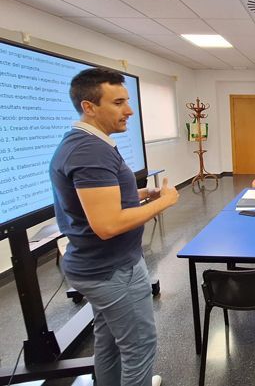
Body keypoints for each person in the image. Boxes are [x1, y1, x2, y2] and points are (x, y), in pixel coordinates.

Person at [50, 68, 179, 386]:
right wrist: (165, 201)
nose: (129, 110)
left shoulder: (87, 144)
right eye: (118, 102)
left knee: (108, 342)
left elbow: (98, 200)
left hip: (98, 266)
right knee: (139, 346)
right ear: (89, 107)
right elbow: (107, 224)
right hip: (112, 270)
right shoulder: (90, 151)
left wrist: (143, 193)